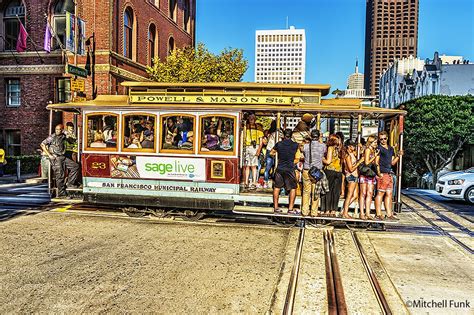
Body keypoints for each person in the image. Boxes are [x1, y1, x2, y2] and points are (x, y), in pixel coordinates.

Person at [40, 124, 80, 198]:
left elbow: (72, 141)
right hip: (56, 157)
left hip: (63, 156)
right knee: (60, 175)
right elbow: (42, 144)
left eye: (59, 129)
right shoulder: (52, 137)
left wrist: (68, 135)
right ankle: (62, 193)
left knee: (75, 166)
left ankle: (70, 183)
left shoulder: (64, 136)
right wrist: (49, 155)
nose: (57, 131)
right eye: (56, 129)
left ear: (62, 130)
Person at [375, 131, 403, 221]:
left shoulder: (391, 149)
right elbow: (376, 162)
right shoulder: (378, 148)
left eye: (384, 138)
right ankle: (378, 213)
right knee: (380, 193)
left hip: (389, 173)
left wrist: (398, 155)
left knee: (389, 194)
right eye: (381, 139)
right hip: (383, 173)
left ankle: (389, 214)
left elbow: (392, 162)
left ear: (387, 138)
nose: (383, 140)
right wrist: (379, 173)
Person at [271, 129, 300, 214]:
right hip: (290, 169)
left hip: (280, 168)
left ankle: (276, 207)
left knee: (277, 187)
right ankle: (290, 209)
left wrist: (278, 154)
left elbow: (271, 153)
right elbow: (298, 156)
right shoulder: (295, 145)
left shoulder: (279, 144)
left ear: (283, 135)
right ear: (291, 135)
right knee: (293, 188)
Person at [301, 130, 328, 217]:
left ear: (311, 136)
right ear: (319, 136)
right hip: (316, 171)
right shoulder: (323, 146)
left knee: (306, 192)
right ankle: (314, 212)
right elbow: (324, 151)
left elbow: (302, 151)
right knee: (316, 192)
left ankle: (304, 211)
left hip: (306, 170)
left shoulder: (305, 146)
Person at [321, 134, 343, 216]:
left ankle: (327, 210)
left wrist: (322, 158)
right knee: (336, 191)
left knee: (328, 190)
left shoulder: (330, 148)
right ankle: (334, 210)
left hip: (330, 170)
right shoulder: (340, 149)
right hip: (339, 171)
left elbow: (328, 161)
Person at [341, 140, 364, 219]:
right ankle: (345, 212)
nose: (354, 147)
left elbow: (361, 152)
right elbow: (351, 169)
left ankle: (344, 210)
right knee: (349, 195)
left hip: (354, 176)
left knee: (355, 196)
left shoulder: (352, 154)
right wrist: (359, 162)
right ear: (349, 147)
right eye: (353, 146)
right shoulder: (347, 156)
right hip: (351, 176)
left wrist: (361, 147)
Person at [359, 135, 379, 220]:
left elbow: (376, 163)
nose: (376, 144)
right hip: (365, 172)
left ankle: (368, 212)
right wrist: (374, 156)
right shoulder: (367, 150)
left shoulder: (374, 150)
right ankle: (362, 213)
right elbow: (366, 162)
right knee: (363, 193)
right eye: (374, 142)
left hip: (371, 173)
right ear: (370, 143)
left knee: (370, 193)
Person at [243, 113, 264, 189]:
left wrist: (259, 150)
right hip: (246, 147)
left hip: (254, 147)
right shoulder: (245, 126)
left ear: (255, 119)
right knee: (247, 166)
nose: (251, 119)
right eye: (250, 118)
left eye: (253, 118)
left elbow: (261, 140)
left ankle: (254, 182)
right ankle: (246, 182)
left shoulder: (258, 127)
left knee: (254, 166)